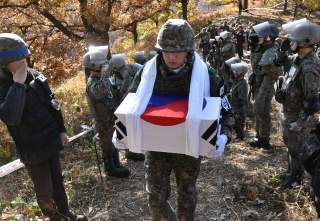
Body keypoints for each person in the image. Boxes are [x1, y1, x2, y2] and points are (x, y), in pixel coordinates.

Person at [126, 19, 233, 221]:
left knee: (186, 194)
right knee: (155, 198)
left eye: (178, 51)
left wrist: (224, 136)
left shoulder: (206, 76)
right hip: (156, 144)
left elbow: (226, 110)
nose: (172, 57)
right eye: (166, 51)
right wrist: (122, 129)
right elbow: (130, 103)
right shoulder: (148, 73)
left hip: (188, 145)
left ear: (189, 51)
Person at [0, 33, 87, 221]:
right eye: (18, 59)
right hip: (32, 149)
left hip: (50, 140)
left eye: (25, 57)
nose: (23, 62)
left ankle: (65, 213)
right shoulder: (3, 86)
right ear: (4, 63)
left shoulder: (36, 75)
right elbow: (11, 117)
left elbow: (53, 105)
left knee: (58, 182)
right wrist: (17, 84)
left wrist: (62, 130)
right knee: (44, 191)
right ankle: (55, 218)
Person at [275, 20, 320, 189]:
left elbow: (312, 102)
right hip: (289, 112)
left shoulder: (309, 67)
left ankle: (296, 179)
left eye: (293, 39)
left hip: (298, 118)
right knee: (291, 149)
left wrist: (299, 123)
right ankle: (291, 173)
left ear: (304, 43)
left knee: (298, 151)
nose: (290, 41)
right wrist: (282, 49)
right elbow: (279, 63)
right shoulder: (298, 59)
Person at [84, 50, 131, 178]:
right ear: (94, 66)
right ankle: (110, 169)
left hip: (109, 119)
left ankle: (116, 164)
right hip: (102, 121)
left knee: (113, 143)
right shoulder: (92, 83)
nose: (105, 65)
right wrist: (105, 74)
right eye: (102, 64)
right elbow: (101, 92)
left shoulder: (102, 80)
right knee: (107, 145)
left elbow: (110, 93)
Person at [248, 21, 281, 149]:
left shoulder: (272, 50)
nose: (257, 38)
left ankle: (264, 139)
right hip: (259, 82)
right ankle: (260, 136)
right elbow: (256, 69)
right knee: (259, 111)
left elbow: (263, 71)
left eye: (260, 36)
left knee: (261, 109)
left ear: (268, 38)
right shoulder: (263, 48)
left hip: (266, 83)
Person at [230, 62, 248, 140]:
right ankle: (238, 135)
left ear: (239, 73)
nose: (234, 73)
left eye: (235, 72)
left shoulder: (242, 84)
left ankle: (240, 136)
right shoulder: (237, 82)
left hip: (239, 107)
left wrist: (238, 109)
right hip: (235, 106)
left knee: (238, 123)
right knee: (235, 123)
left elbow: (242, 98)